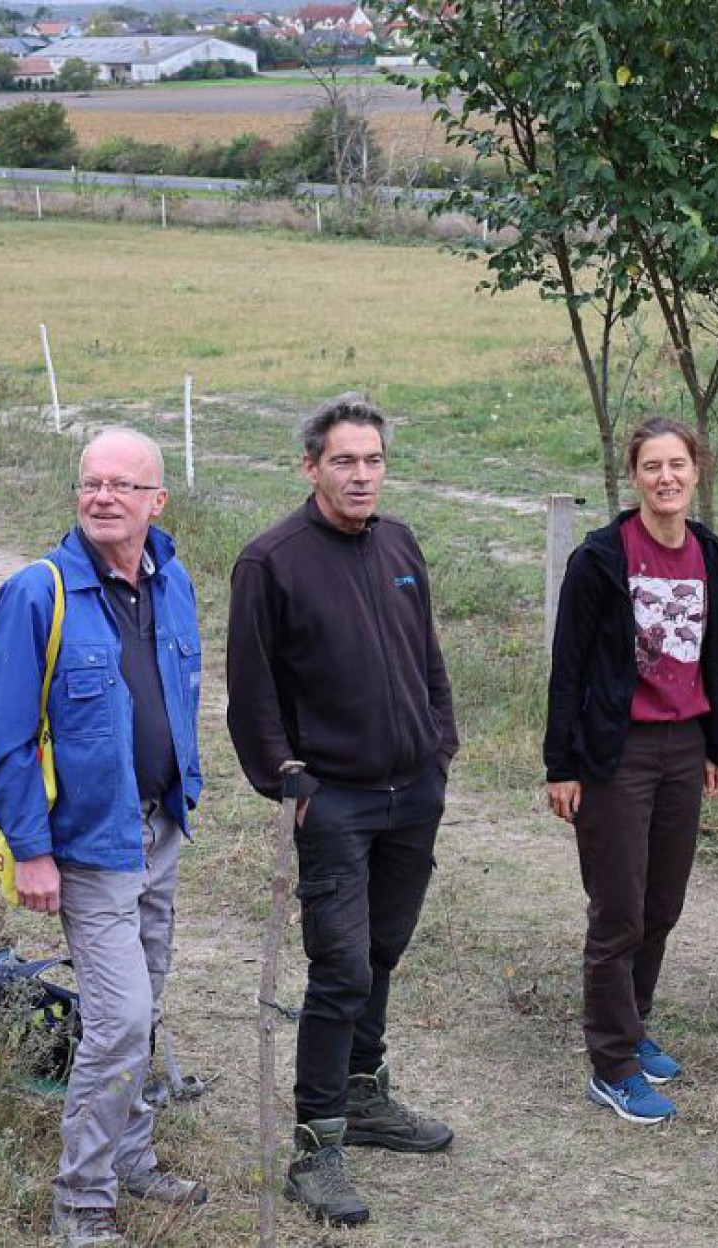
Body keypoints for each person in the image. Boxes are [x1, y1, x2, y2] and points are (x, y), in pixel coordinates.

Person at [226, 393, 458, 1227]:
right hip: (333, 799)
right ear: (311, 467)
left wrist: (441, 745)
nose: (362, 476)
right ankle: (316, 1148)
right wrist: (287, 778)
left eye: (373, 461)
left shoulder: (399, 543)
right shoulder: (271, 561)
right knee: (342, 967)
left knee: (385, 951)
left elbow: (427, 653)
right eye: (344, 461)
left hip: (412, 791)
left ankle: (364, 1096)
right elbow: (251, 695)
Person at [0, 428, 206, 1248]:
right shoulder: (37, 593)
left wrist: (184, 792)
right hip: (86, 845)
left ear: (156, 501)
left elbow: (178, 691)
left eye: (121, 484)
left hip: (157, 826)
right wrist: (32, 850)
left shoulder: (170, 581)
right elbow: (5, 741)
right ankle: (82, 1203)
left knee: (141, 1005)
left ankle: (133, 1161)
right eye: (90, 483)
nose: (103, 497)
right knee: (118, 1020)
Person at [544, 418, 718, 1125]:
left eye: (678, 464)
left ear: (696, 471)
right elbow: (567, 667)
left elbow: (714, 653)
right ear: (634, 476)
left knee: (663, 904)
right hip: (614, 754)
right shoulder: (600, 559)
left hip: (684, 747)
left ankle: (635, 1020)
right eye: (652, 466)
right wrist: (561, 765)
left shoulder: (709, 552)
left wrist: (714, 746)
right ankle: (612, 1063)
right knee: (618, 910)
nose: (666, 477)